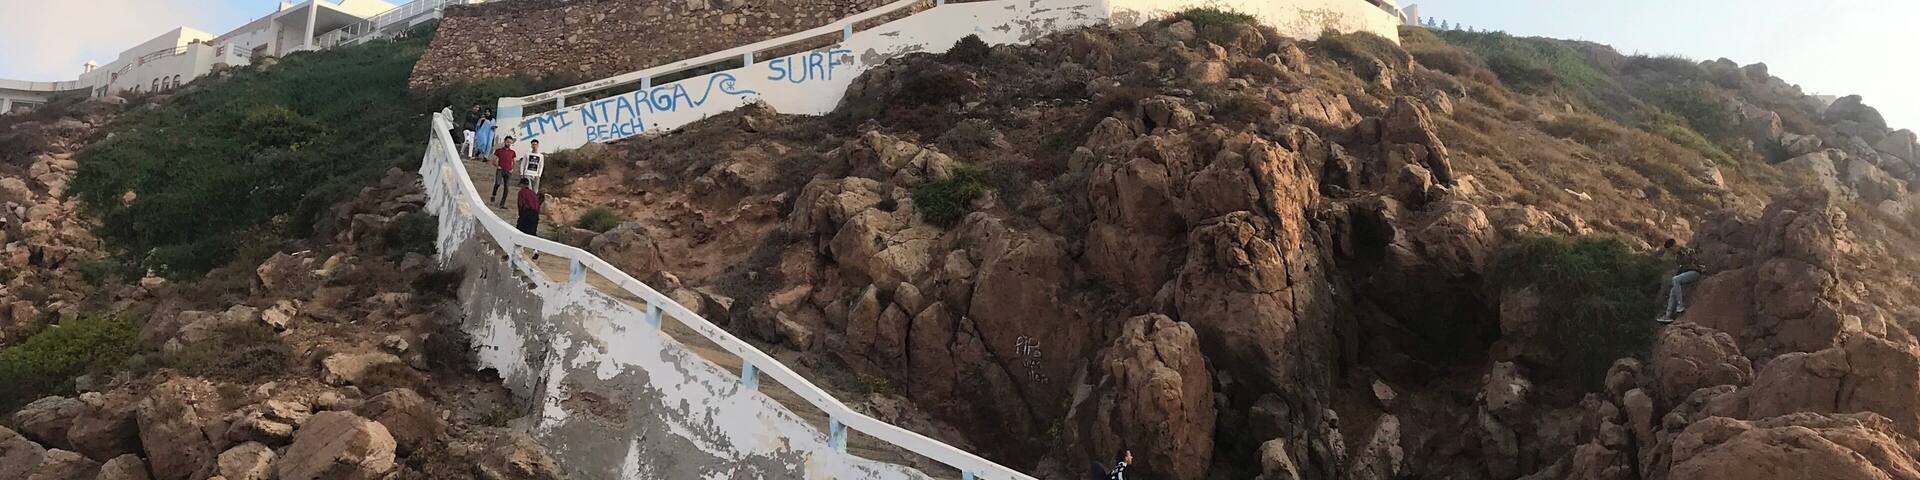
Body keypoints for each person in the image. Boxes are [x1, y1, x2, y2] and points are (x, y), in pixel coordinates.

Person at [1656, 238, 1706, 324]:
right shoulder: (1678, 256)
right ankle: (1668, 316)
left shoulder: (1687, 251)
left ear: (1673, 246)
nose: (1671, 252)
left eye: (1671, 249)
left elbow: (1695, 262)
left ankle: (1680, 305)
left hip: (1695, 272)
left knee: (1675, 279)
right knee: (1673, 289)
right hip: (1687, 273)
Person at [492, 136, 519, 207]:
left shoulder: (512, 152)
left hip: (508, 171)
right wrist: (497, 166)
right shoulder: (498, 150)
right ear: (505, 141)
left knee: (507, 188)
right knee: (497, 183)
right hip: (500, 170)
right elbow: (494, 160)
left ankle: (502, 204)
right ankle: (493, 194)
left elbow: (514, 161)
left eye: (510, 142)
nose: (509, 143)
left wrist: (512, 168)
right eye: (508, 142)